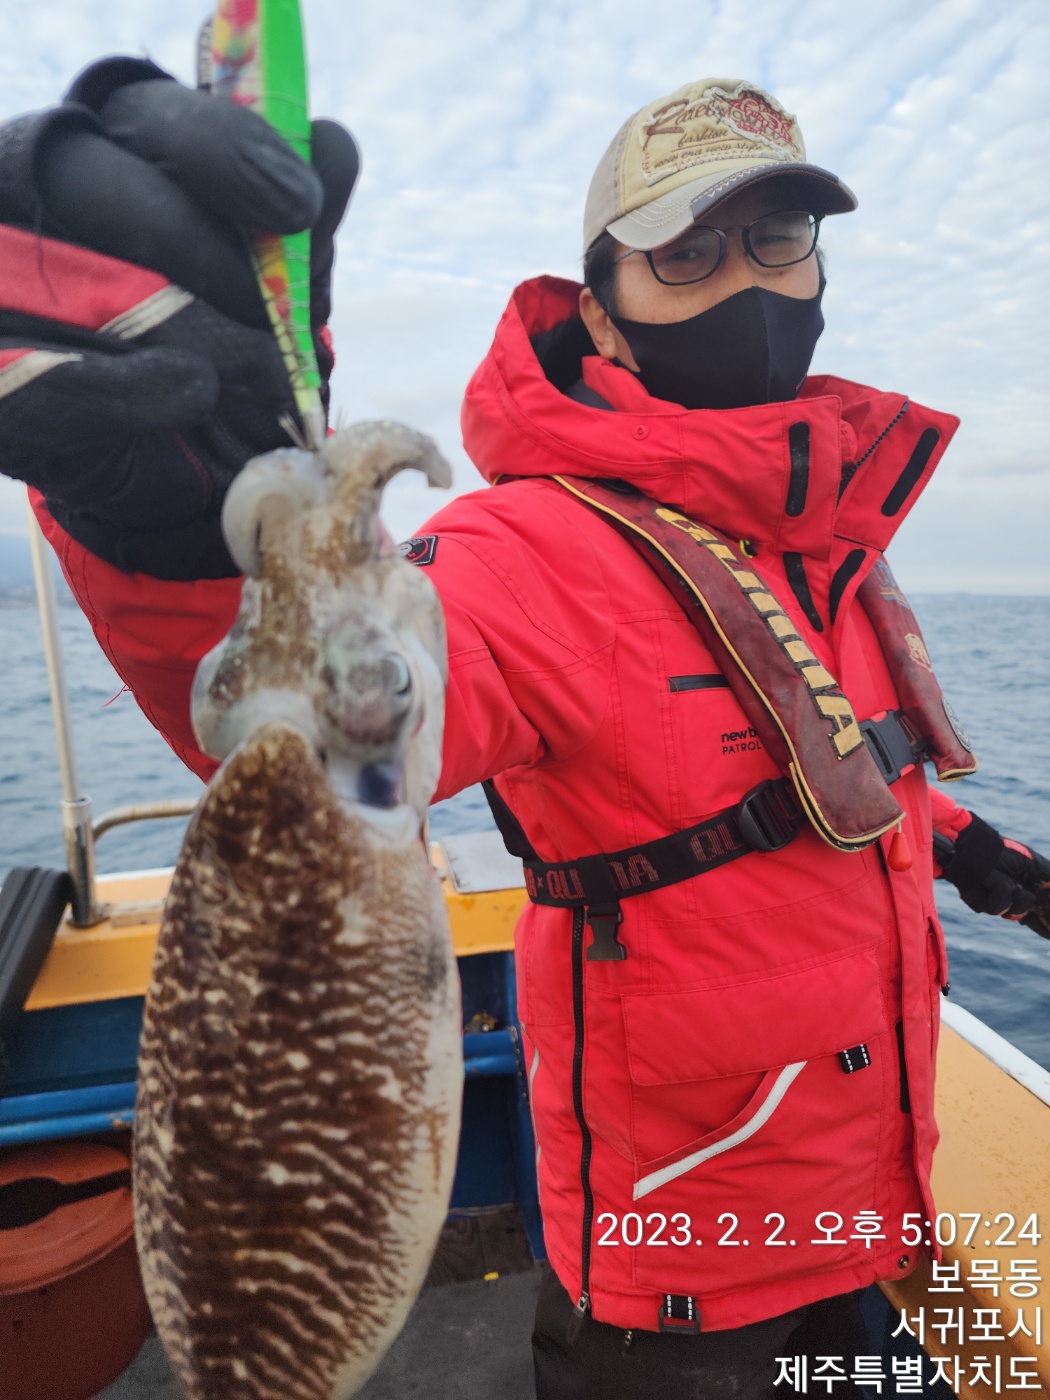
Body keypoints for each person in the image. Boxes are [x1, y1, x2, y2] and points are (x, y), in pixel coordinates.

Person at [1, 61, 1047, 1399]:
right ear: (601, 308)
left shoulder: (821, 544)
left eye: (776, 237)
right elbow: (325, 730)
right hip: (678, 1268)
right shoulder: (521, 550)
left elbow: (832, 766)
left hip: (873, 1203)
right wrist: (186, 531)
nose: (743, 280)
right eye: (685, 252)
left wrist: (981, 856)